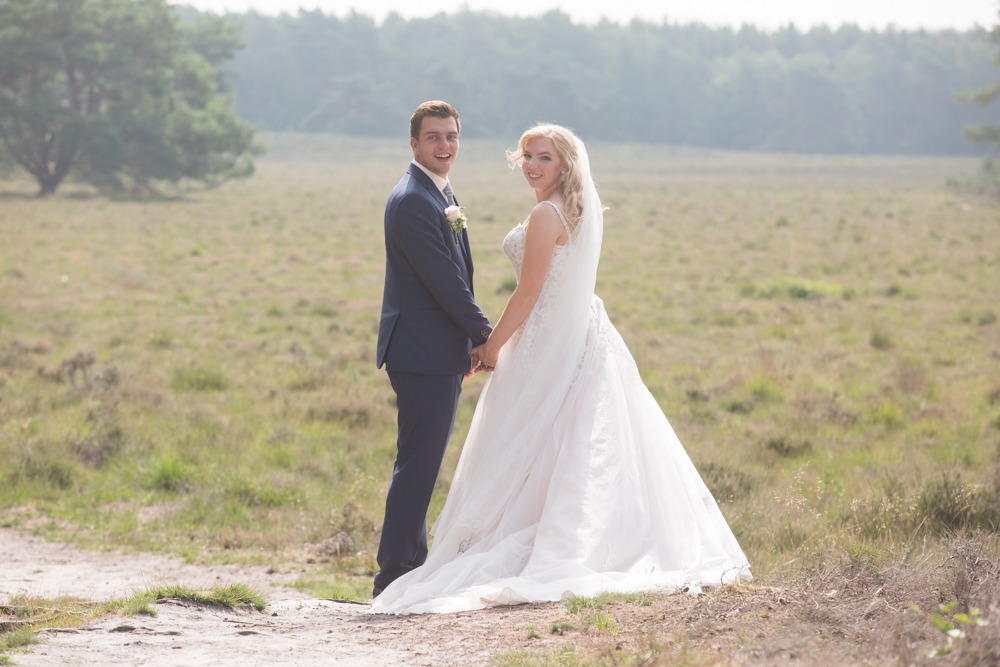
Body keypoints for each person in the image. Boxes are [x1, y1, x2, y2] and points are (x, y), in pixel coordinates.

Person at [371, 123, 750, 615]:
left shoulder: (545, 214)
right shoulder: (577, 208)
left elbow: (528, 293)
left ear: (566, 166)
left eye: (544, 158)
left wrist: (490, 346)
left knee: (539, 440)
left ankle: (522, 545)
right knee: (562, 442)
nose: (531, 164)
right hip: (573, 334)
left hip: (543, 341)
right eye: (527, 155)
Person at [373, 100, 492, 598]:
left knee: (421, 463)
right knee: (418, 465)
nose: (445, 146)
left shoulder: (437, 192)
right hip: (421, 352)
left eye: (452, 136)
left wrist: (466, 339)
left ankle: (409, 568)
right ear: (415, 143)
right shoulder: (413, 201)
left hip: (436, 348)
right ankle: (395, 576)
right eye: (435, 137)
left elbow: (457, 270)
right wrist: (485, 337)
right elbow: (446, 283)